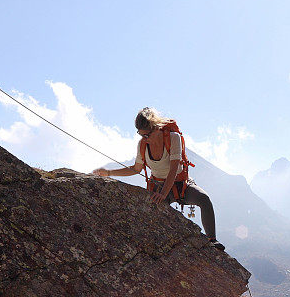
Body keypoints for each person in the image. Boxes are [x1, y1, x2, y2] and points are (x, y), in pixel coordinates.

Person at [92, 107, 225, 251]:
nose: (145, 139)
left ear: (156, 128)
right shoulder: (142, 144)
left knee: (204, 199)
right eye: (142, 135)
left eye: (147, 135)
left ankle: (212, 240)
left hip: (181, 185)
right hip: (159, 187)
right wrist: (109, 172)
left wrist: (163, 194)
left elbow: (174, 168)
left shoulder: (174, 138)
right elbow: (136, 169)